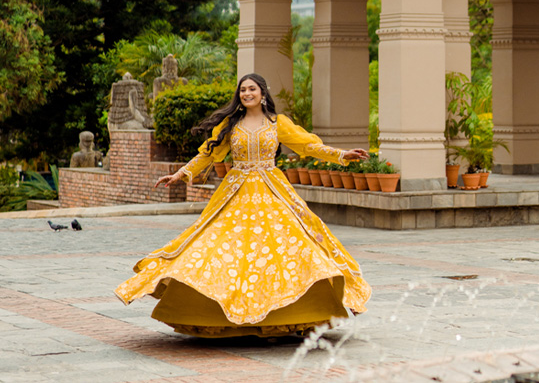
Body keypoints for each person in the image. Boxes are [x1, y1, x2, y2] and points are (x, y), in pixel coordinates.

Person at [115, 73, 372, 337]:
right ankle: (218, 315)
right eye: (242, 90)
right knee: (220, 248)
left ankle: (295, 314)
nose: (247, 93)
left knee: (289, 249)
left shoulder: (277, 123)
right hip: (236, 192)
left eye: (252, 89)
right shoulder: (230, 124)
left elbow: (307, 146)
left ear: (263, 92)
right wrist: (180, 174)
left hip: (272, 191)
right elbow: (208, 153)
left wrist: (341, 154)